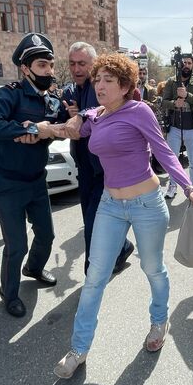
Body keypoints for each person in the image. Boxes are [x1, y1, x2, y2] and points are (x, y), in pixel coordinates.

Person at [52, 52, 193, 379]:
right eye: (98, 80)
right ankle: (79, 348)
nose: (101, 85)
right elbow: (85, 118)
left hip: (147, 203)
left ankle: (158, 321)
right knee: (95, 276)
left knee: (152, 268)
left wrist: (189, 187)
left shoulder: (139, 112)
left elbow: (164, 152)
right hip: (110, 204)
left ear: (125, 86)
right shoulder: (97, 114)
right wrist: (78, 116)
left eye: (109, 80)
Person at [0, 33, 62, 318]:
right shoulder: (9, 94)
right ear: (25, 68)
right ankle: (9, 293)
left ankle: (34, 269)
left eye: (50, 65)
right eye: (42, 65)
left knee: (47, 235)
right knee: (16, 246)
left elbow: (58, 126)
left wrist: (45, 134)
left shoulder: (51, 100)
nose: (49, 71)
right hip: (8, 183)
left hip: (37, 180)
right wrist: (26, 129)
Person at [61, 42, 134, 275]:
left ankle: (91, 276)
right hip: (85, 169)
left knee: (93, 229)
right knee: (90, 220)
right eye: (72, 64)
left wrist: (80, 116)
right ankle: (123, 247)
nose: (76, 68)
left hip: (104, 172)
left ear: (93, 65)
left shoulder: (101, 89)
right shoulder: (73, 90)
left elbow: (101, 113)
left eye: (82, 63)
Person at [161, 53, 193, 199]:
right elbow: (162, 102)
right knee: (173, 159)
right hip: (175, 128)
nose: (186, 65)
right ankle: (172, 185)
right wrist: (174, 103)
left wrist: (186, 95)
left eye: (189, 63)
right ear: (179, 65)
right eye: (184, 63)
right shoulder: (171, 81)